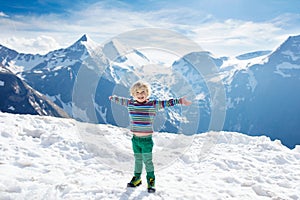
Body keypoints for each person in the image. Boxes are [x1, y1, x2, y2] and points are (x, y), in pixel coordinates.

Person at [109, 81, 192, 193]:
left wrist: (180, 101)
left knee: (148, 161)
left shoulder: (152, 104)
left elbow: (166, 103)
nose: (140, 94)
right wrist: (113, 98)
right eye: (137, 92)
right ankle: (137, 178)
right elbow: (121, 101)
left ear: (147, 93)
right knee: (138, 160)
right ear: (133, 94)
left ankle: (151, 181)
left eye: (142, 92)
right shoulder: (130, 103)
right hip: (135, 140)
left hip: (147, 140)